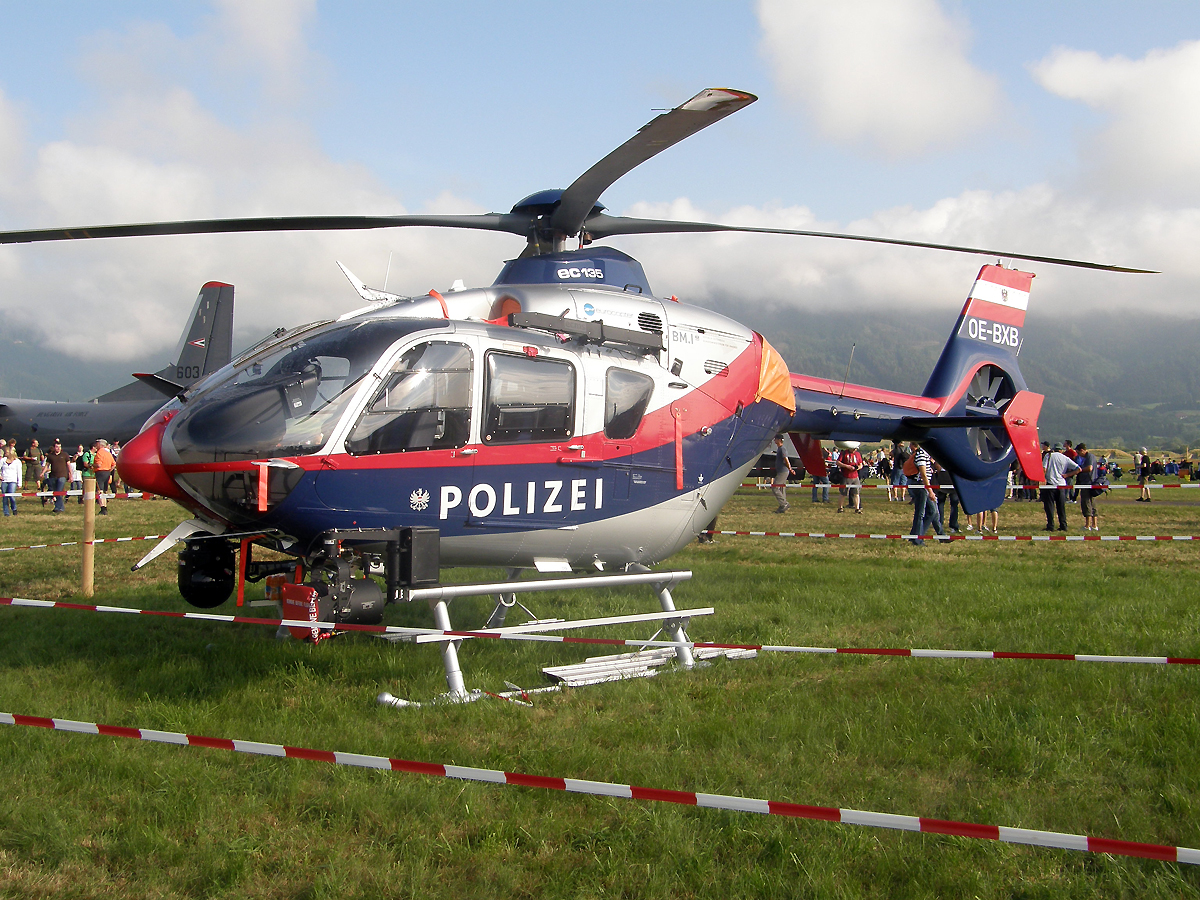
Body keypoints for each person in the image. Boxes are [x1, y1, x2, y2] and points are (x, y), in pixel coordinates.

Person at [906, 441, 942, 545]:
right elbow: (923, 475)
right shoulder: (921, 454)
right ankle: (917, 539)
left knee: (931, 512)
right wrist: (930, 491)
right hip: (921, 486)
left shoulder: (925, 454)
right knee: (921, 513)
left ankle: (916, 536)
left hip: (923, 486)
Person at [1041, 442, 1080, 532]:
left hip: (1051, 485)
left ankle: (1050, 525)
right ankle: (1063, 525)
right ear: (1061, 450)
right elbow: (1078, 469)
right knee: (1061, 506)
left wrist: (1042, 480)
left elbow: (1044, 468)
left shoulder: (1049, 456)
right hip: (1062, 485)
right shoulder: (1065, 458)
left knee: (1049, 506)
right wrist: (1067, 475)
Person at [1075, 442, 1100, 532]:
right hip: (1089, 482)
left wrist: (1079, 470)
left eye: (1078, 453)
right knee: (1092, 504)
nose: (1078, 455)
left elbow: (1089, 468)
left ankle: (1087, 525)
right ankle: (1094, 525)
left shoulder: (1089, 457)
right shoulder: (1090, 457)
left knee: (1086, 504)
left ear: (1082, 450)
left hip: (1088, 482)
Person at [43, 438, 70, 514]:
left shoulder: (65, 455)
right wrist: (42, 473)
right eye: (57, 447)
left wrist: (70, 475)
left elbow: (68, 465)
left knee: (59, 491)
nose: (58, 448)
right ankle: (60, 507)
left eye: (59, 447)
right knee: (56, 492)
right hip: (53, 476)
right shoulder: (50, 456)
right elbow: (47, 466)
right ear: (54, 447)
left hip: (62, 476)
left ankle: (58, 507)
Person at [836, 441, 864, 513]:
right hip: (846, 476)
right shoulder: (844, 453)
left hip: (855, 476)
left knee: (856, 493)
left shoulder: (857, 454)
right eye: (853, 449)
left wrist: (857, 468)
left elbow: (861, 464)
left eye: (856, 449)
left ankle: (857, 508)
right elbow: (838, 462)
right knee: (843, 493)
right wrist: (847, 466)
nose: (855, 450)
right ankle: (840, 508)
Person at [771, 434, 794, 514]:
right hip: (781, 471)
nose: (774, 440)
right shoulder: (779, 449)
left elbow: (786, 459)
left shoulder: (782, 449)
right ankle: (783, 506)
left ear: (779, 440)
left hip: (783, 472)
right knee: (781, 488)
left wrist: (790, 468)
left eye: (775, 439)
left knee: (774, 487)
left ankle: (784, 503)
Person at [92, 439, 116, 515]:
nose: (96, 445)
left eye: (97, 444)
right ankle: (104, 506)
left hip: (100, 472)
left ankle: (103, 508)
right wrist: (109, 470)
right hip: (107, 472)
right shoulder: (108, 453)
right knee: (105, 491)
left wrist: (92, 465)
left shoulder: (99, 453)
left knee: (100, 491)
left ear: (101, 445)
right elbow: (114, 464)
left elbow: (98, 464)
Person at [1, 447, 21, 516]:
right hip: (4, 481)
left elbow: (19, 472)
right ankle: (6, 512)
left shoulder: (17, 461)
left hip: (13, 480)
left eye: (7, 452)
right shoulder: (3, 460)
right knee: (5, 497)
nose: (5, 453)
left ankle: (14, 508)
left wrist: (19, 483)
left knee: (11, 496)